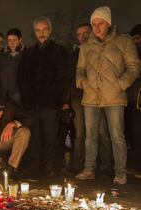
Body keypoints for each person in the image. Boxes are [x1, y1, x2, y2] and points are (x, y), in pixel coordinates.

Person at [75, 6, 140, 184]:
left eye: (100, 23)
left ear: (108, 23)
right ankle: (89, 169)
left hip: (114, 97)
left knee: (117, 135)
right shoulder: (87, 45)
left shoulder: (123, 41)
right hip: (90, 97)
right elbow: (80, 68)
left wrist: (121, 84)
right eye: (93, 24)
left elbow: (134, 66)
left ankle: (120, 172)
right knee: (90, 135)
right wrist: (82, 81)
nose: (96, 28)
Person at [18, 16, 70, 177]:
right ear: (34, 32)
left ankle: (50, 166)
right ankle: (35, 165)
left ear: (50, 30)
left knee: (51, 135)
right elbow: (22, 78)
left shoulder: (59, 51)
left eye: (44, 29)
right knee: (35, 135)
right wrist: (26, 98)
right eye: (38, 30)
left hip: (50, 102)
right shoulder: (29, 53)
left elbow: (64, 77)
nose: (41, 33)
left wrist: (60, 99)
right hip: (33, 103)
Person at [70, 23, 112, 174]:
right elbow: (71, 76)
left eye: (86, 33)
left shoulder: (99, 49)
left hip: (98, 97)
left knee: (101, 131)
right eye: (79, 34)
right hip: (79, 98)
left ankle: (105, 164)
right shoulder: (74, 54)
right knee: (81, 133)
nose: (83, 37)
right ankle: (79, 164)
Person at [0, 28, 25, 103]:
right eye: (9, 40)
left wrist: (20, 94)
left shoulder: (26, 56)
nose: (12, 43)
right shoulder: (2, 57)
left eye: (14, 40)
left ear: (20, 40)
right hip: (4, 98)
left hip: (20, 99)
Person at [128, 24, 141, 178]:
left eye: (138, 38)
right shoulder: (131, 53)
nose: (137, 42)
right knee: (135, 134)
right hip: (132, 100)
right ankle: (138, 166)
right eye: (134, 39)